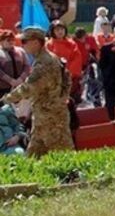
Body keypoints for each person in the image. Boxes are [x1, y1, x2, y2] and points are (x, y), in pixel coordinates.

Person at [3, 27, 74, 156]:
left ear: (36, 42)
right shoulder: (49, 58)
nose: (22, 45)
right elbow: (67, 80)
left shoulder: (44, 63)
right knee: (35, 155)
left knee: (62, 155)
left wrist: (6, 100)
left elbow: (28, 88)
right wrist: (62, 98)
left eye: (24, 42)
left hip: (51, 118)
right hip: (45, 115)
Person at [46, 20, 84, 104]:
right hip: (54, 80)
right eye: (57, 30)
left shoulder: (72, 43)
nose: (60, 32)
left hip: (70, 78)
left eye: (62, 29)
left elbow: (77, 59)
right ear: (52, 31)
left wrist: (68, 74)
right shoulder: (49, 45)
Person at [0, 30, 30, 100]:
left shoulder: (21, 51)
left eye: (13, 40)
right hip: (3, 88)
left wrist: (20, 79)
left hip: (20, 86)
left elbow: (27, 66)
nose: (11, 42)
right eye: (8, 40)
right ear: (1, 42)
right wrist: (11, 81)